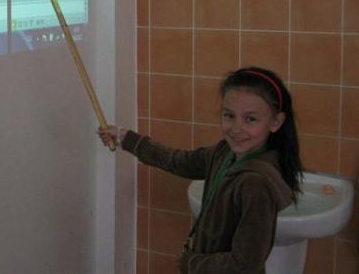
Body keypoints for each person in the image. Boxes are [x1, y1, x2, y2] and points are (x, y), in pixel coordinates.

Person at [99, 67, 303, 274]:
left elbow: (244, 264)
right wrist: (125, 138)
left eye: (250, 119)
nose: (236, 128)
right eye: (229, 115)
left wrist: (191, 263)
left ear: (276, 122)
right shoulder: (224, 153)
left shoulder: (256, 184)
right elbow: (178, 161)